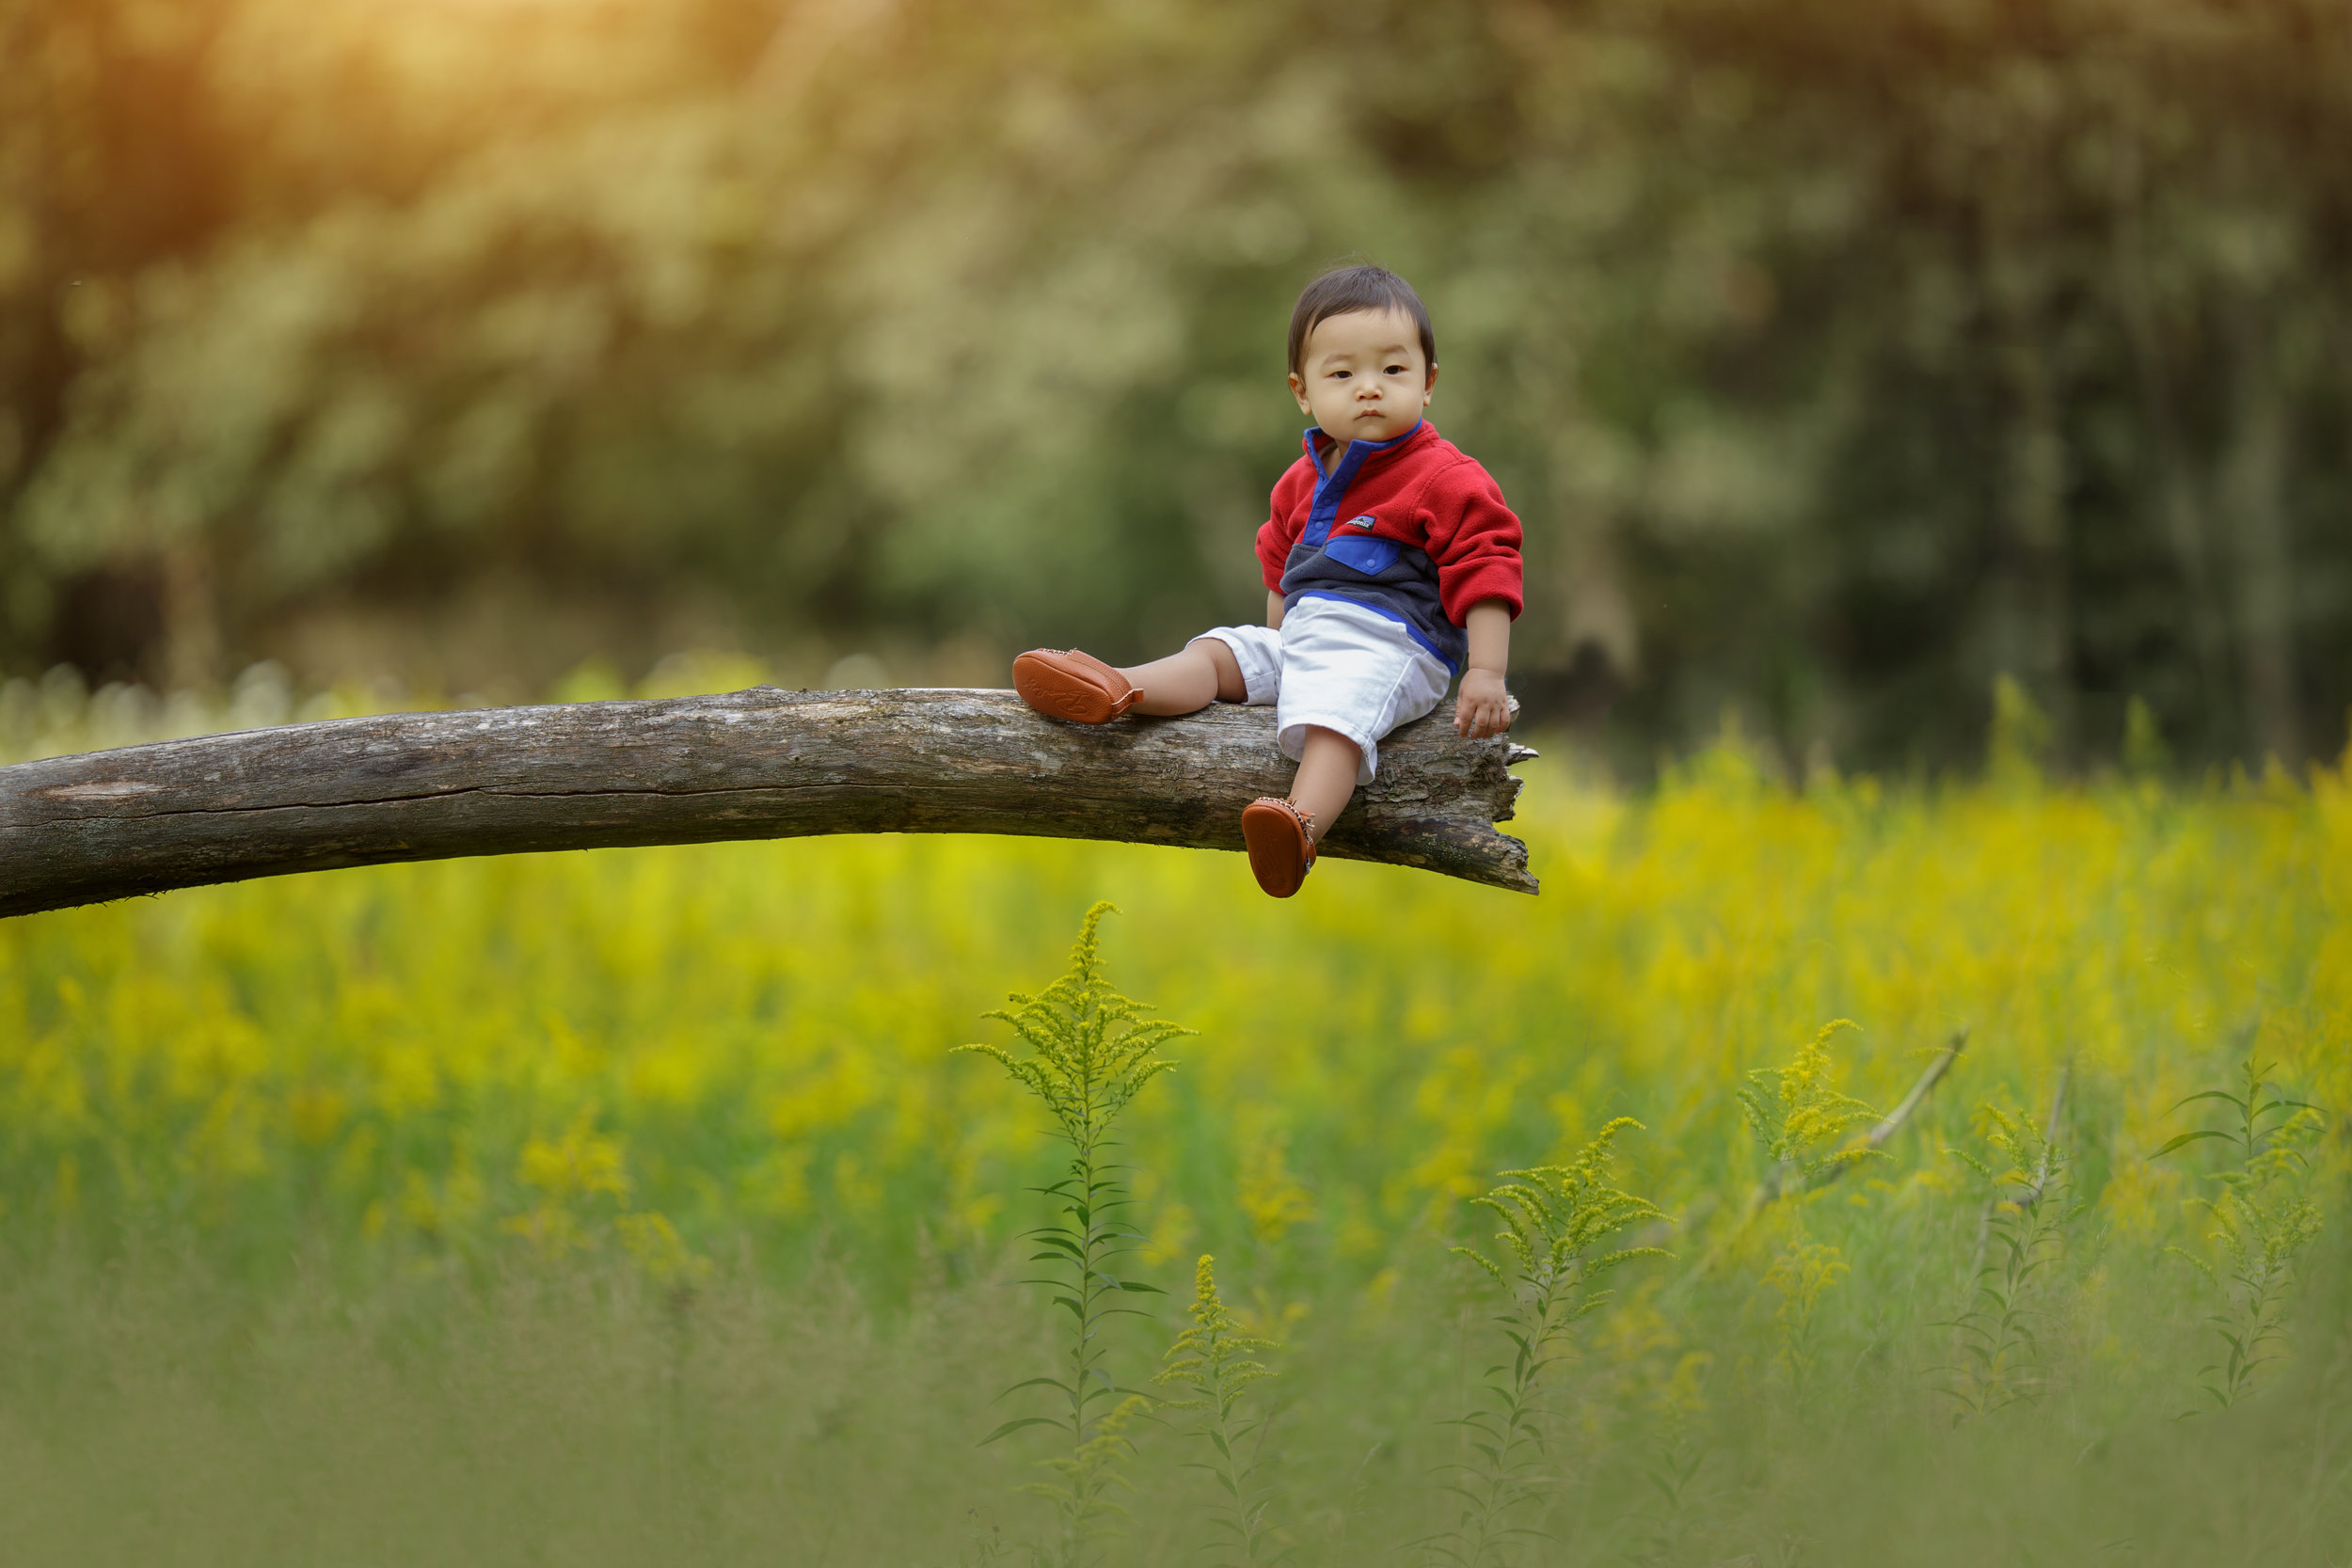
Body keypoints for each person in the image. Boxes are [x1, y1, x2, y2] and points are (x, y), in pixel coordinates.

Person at [1010, 264, 1524, 897]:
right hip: (1306, 636)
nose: (1370, 388)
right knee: (1220, 651)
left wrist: (1487, 671)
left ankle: (1301, 825)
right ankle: (1119, 688)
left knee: (1335, 714)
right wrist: (1275, 656)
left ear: (1428, 383)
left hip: (1391, 644)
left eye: (1392, 370)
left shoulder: (1446, 477)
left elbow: (1488, 562)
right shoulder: (1299, 482)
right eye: (1343, 374)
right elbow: (1280, 567)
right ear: (1302, 391)